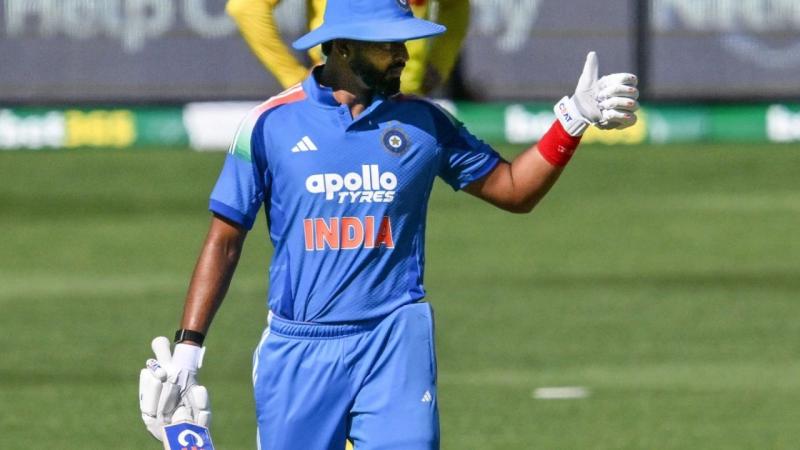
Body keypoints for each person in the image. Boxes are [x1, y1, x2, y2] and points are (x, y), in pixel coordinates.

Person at [138, 0, 639, 448]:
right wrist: (188, 349)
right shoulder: (270, 124)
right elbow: (225, 240)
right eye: (386, 46)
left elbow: (513, 190)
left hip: (396, 338)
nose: (403, 55)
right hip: (298, 347)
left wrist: (572, 120)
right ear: (341, 48)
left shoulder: (425, 123)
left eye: (403, 42)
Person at [225, 0, 470, 95]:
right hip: (341, 98)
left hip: (405, 100)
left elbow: (455, 6)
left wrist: (440, 62)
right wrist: (292, 77)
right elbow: (246, 7)